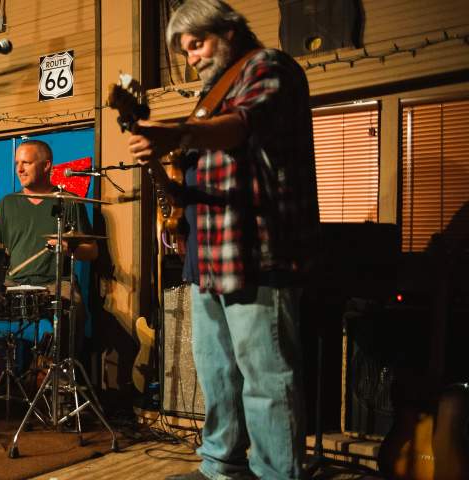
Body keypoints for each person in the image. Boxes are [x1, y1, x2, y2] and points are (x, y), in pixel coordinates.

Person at [128, 1, 319, 479]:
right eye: (185, 50)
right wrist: (159, 166)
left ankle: (278, 473)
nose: (191, 57)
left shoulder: (268, 67)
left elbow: (242, 126)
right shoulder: (209, 96)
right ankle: (221, 468)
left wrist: (176, 134)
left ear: (230, 30)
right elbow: (189, 183)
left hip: (256, 251)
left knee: (267, 380)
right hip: (206, 258)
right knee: (216, 376)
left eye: (198, 43)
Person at [0, 140, 97, 354]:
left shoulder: (69, 202)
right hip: (13, 281)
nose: (19, 169)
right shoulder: (8, 204)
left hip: (54, 283)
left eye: (26, 162)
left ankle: (62, 374)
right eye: (17, 162)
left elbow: (92, 251)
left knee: (74, 307)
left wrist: (67, 247)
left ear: (46, 166)